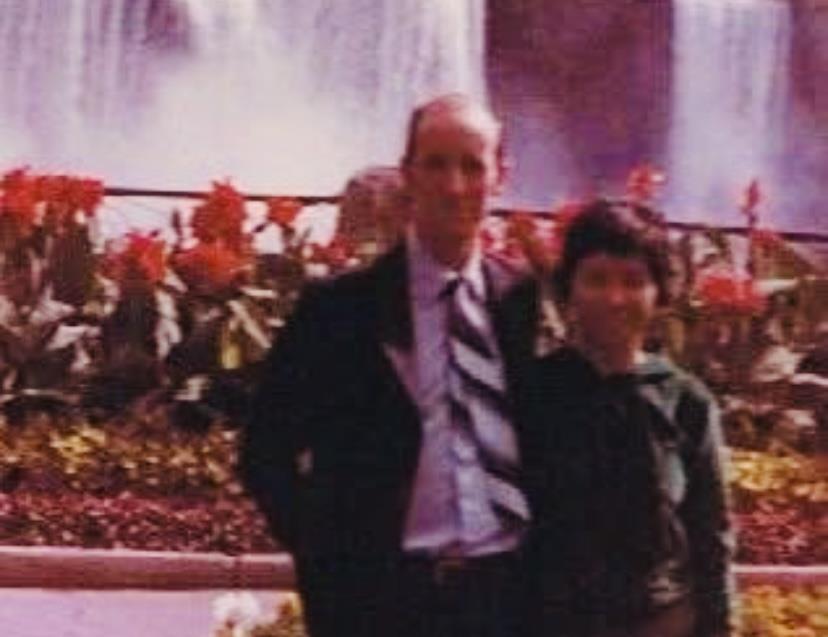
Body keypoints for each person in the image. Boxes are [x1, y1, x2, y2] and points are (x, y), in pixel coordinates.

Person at [241, 94, 539, 637]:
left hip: (502, 601)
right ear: (407, 174)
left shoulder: (526, 304)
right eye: (436, 164)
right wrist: (325, 560)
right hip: (378, 602)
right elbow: (265, 450)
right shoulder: (338, 309)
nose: (454, 186)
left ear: (501, 177)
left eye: (472, 166)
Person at [523, 200, 736, 637]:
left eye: (634, 281)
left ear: (659, 293)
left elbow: (711, 538)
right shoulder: (533, 392)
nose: (615, 298)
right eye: (596, 280)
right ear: (569, 288)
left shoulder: (686, 402)